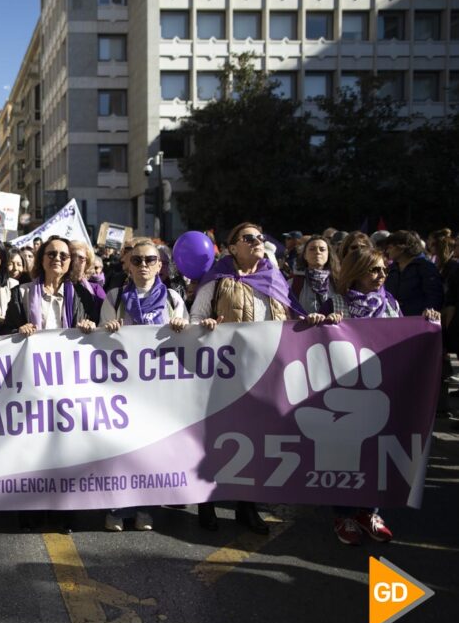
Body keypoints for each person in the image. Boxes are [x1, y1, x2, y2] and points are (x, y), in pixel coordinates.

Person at [190, 223, 311, 535]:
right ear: (232, 248)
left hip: (264, 373)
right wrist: (204, 326)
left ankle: (247, 507)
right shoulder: (217, 279)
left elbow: (292, 318)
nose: (257, 241)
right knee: (218, 440)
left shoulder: (274, 277)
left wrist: (316, 322)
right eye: (248, 238)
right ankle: (208, 503)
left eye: (259, 237)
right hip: (224, 373)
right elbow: (194, 318)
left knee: (256, 443)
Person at [321, 247, 440, 544]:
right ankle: (344, 514)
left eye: (383, 271)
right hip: (343, 394)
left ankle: (368, 511)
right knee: (346, 455)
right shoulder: (335, 302)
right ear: (356, 271)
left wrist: (426, 320)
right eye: (374, 270)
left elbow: (404, 338)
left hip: (381, 392)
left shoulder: (390, 303)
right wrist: (325, 322)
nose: (381, 276)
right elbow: (315, 343)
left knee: (376, 453)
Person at [4, 236, 96, 532]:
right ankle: (30, 510)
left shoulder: (80, 294)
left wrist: (88, 328)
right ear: (42, 258)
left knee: (63, 449)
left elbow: (92, 331)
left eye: (64, 256)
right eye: (52, 254)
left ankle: (61, 512)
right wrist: (18, 330)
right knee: (31, 449)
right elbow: (6, 334)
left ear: (71, 263)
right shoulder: (21, 293)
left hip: (67, 384)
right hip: (30, 383)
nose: (58, 259)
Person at [100, 238, 192, 532]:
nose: (143, 265)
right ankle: (115, 508)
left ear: (160, 265)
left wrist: (181, 328)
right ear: (127, 264)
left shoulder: (173, 300)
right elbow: (99, 343)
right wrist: (109, 331)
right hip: (122, 388)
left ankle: (145, 509)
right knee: (121, 449)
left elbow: (188, 341)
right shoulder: (114, 297)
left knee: (151, 450)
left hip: (158, 391)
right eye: (137, 260)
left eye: (150, 260)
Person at [383, 231, 444, 317]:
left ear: (402, 248)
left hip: (419, 323)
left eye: (390, 247)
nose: (387, 251)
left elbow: (434, 296)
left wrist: (428, 313)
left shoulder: (426, 267)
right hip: (393, 322)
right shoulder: (391, 269)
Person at [290, 235, 338, 314]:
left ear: (328, 254)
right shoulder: (293, 283)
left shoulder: (338, 282)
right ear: (305, 255)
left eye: (322, 249)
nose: (318, 252)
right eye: (312, 249)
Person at [70, 240, 106, 317]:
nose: (75, 261)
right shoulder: (57, 286)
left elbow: (104, 318)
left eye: (81, 258)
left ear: (87, 264)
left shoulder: (95, 290)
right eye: (72, 255)